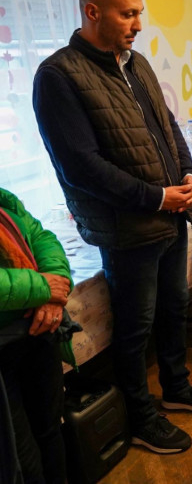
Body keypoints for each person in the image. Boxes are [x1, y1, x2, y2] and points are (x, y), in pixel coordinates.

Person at [32, 0, 192, 455]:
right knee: (135, 328)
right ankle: (140, 417)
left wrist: (188, 173)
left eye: (139, 13)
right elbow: (81, 166)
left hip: (171, 215)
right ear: (92, 12)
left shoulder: (135, 63)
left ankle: (176, 389)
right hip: (127, 227)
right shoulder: (58, 76)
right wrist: (157, 197)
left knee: (175, 309)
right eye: (128, 14)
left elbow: (168, 126)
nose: (138, 24)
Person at [0, 187, 74, 483]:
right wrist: (43, 288)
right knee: (20, 457)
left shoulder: (3, 198)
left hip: (37, 333)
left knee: (51, 430)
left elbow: (42, 237)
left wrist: (54, 290)